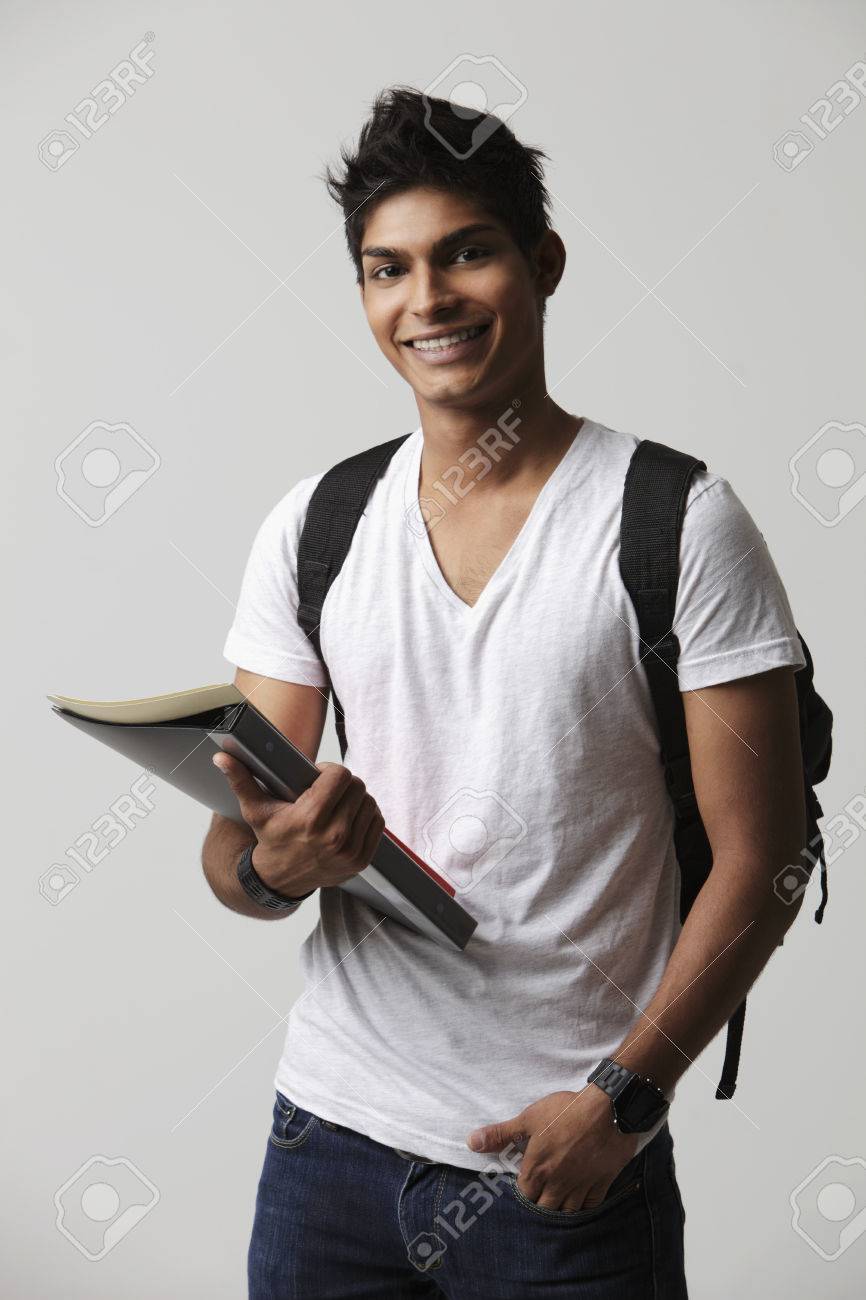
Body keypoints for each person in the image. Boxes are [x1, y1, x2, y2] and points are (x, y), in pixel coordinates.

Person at [201, 86, 809, 1299]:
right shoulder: (315, 525)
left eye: (463, 254)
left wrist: (625, 1100)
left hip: (560, 1162)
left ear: (543, 262)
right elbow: (235, 852)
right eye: (387, 269)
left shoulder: (676, 522)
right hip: (326, 1144)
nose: (423, 300)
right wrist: (278, 866)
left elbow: (768, 855)